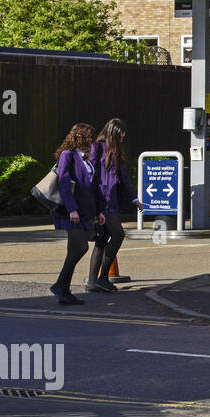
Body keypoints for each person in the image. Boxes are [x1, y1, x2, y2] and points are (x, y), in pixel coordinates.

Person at [87, 118, 141, 293]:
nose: (122, 140)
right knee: (118, 234)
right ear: (112, 133)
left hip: (113, 201)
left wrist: (135, 199)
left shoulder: (116, 150)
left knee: (102, 241)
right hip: (102, 201)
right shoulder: (97, 147)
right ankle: (102, 278)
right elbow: (91, 174)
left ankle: (93, 282)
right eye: (120, 136)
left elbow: (123, 177)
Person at [50, 122, 101, 305]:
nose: (93, 140)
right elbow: (64, 182)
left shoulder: (83, 157)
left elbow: (90, 187)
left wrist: (98, 211)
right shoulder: (67, 155)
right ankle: (60, 286)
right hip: (71, 212)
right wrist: (71, 208)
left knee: (74, 250)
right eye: (90, 136)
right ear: (80, 137)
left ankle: (63, 289)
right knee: (80, 248)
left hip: (83, 211)